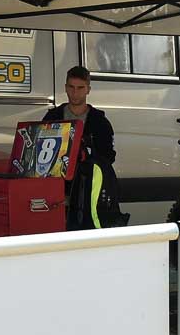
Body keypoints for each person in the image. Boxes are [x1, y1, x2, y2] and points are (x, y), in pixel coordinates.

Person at [43, 65, 122, 228]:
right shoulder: (53, 117)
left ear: (88, 90)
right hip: (57, 189)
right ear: (65, 88)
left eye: (80, 88)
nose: (75, 92)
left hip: (88, 191)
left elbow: (108, 158)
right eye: (71, 87)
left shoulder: (99, 122)